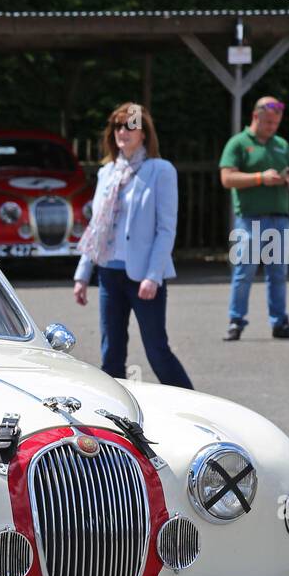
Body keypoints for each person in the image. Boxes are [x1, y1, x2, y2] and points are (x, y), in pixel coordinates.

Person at [72, 103, 193, 389]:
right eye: (117, 125)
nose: (122, 131)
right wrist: (82, 274)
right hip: (108, 273)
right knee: (111, 353)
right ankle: (117, 418)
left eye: (130, 125)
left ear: (144, 133)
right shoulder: (107, 173)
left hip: (144, 276)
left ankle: (195, 407)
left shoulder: (160, 170)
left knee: (157, 351)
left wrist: (153, 275)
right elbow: (97, 226)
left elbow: (166, 229)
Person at [218, 96, 289, 341]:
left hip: (280, 218)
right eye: (268, 122)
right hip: (249, 219)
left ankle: (279, 323)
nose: (272, 127)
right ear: (255, 117)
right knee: (244, 271)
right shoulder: (238, 143)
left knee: (278, 274)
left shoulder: (281, 144)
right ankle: (236, 321)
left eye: (276, 122)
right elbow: (227, 179)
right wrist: (260, 178)